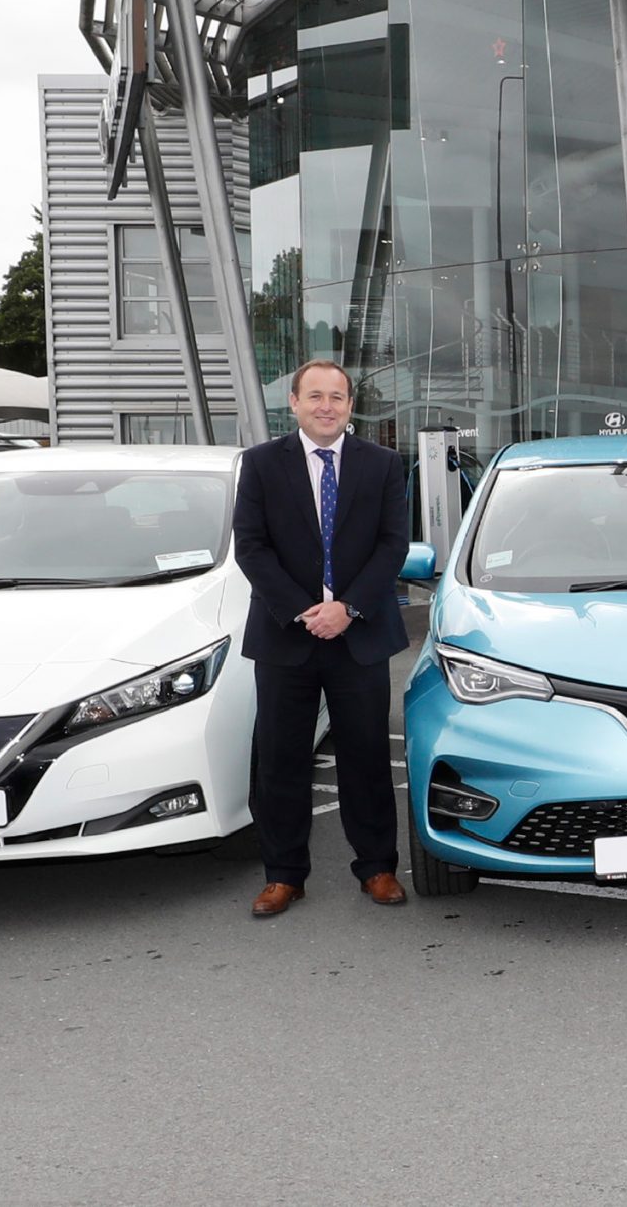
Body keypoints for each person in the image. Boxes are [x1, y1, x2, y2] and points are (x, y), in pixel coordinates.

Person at [233, 360, 413, 918]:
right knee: (280, 760)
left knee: (366, 757)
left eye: (337, 397)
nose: (327, 406)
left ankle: (378, 866)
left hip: (358, 636)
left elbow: (393, 546)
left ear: (350, 406)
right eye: (316, 396)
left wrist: (348, 608)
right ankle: (284, 875)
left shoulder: (382, 465)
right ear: (293, 402)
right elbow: (251, 546)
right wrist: (304, 611)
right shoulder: (262, 465)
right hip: (287, 635)